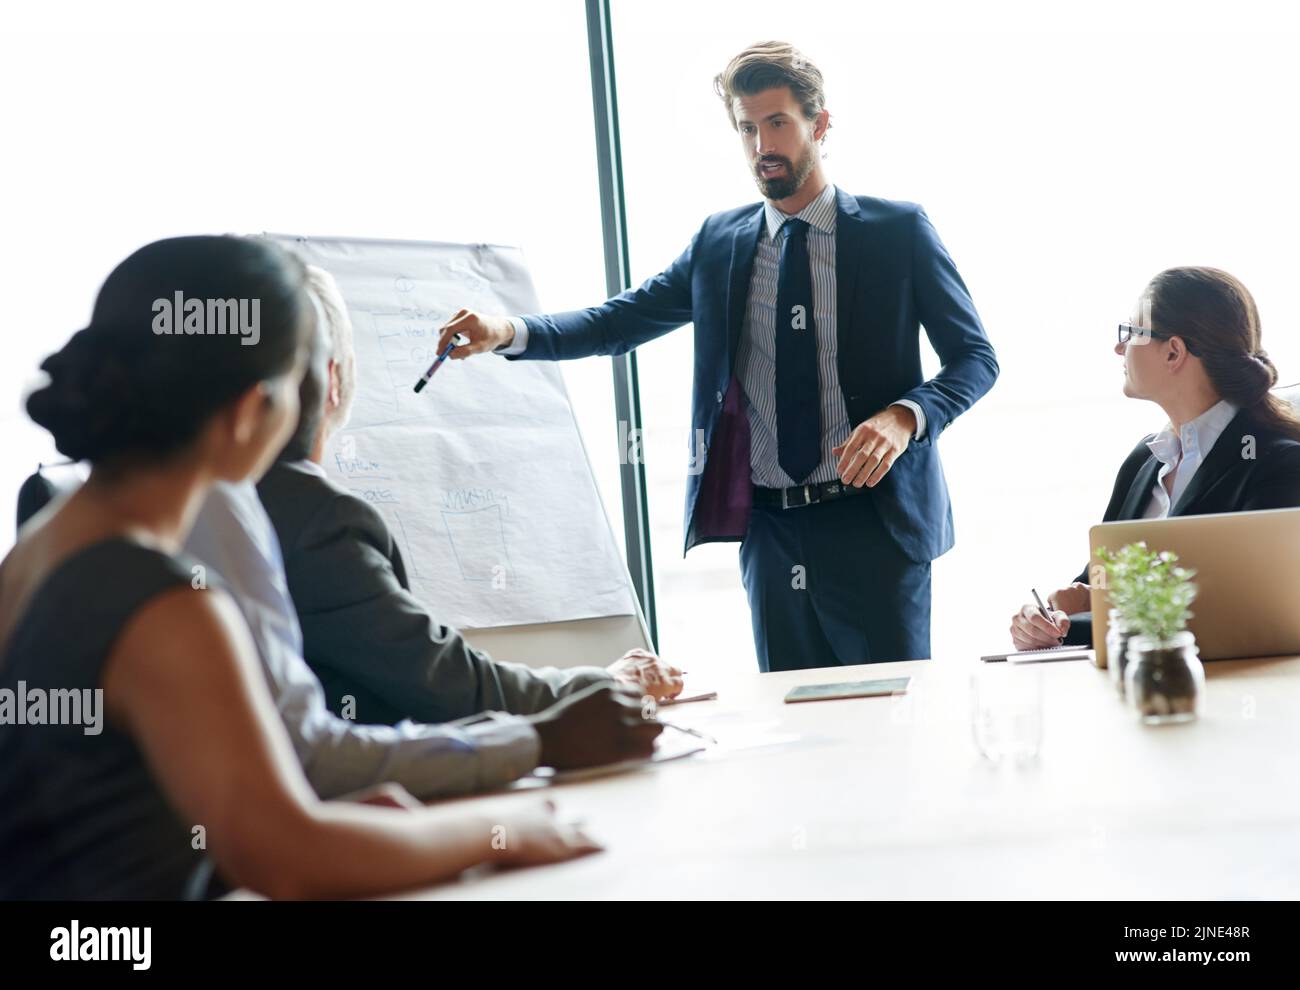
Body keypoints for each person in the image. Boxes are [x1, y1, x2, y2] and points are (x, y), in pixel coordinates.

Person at [0, 236, 625, 899]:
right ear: (251, 412)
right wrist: (502, 829)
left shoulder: (38, 550)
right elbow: (288, 858)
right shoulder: (168, 606)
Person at [435, 41, 998, 671]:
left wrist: (904, 417)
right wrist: (506, 330)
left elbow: (975, 359)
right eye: (747, 129)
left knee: (895, 725)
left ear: (821, 123)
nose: (763, 147)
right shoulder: (719, 243)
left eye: (778, 123)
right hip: (769, 535)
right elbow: (616, 322)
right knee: (798, 735)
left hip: (874, 523)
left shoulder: (897, 232)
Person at [255, 264, 684, 731]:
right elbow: (456, 689)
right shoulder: (320, 525)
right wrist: (611, 681)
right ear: (334, 383)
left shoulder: (210, 507)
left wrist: (502, 330)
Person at [1009, 266, 1300, 651]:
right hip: (1143, 690)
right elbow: (1091, 589)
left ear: (1174, 352)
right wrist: (1048, 623)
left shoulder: (1277, 465)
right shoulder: (1144, 462)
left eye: (1130, 333)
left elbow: (1240, 619)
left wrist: (1084, 616)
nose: (1119, 348)